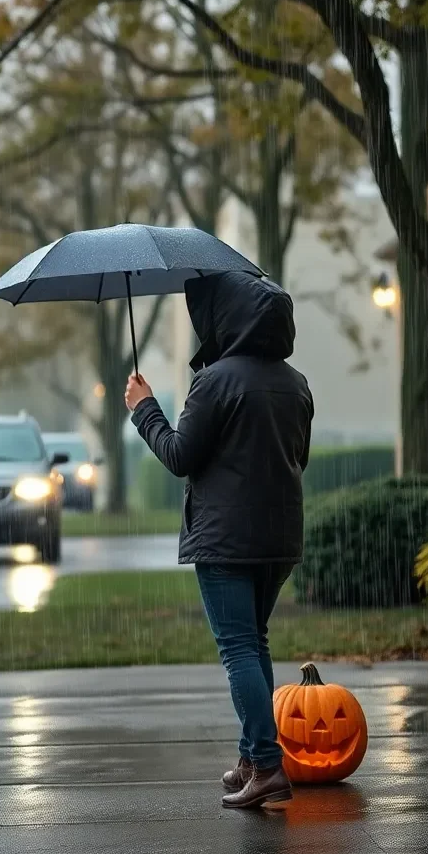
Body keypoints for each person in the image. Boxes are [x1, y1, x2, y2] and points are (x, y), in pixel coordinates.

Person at [124, 270, 313, 810]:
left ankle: (269, 766)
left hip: (227, 540)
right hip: (280, 537)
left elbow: (180, 456)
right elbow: (298, 457)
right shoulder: (295, 382)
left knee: (238, 650)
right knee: (255, 641)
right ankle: (254, 757)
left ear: (225, 318)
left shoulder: (215, 380)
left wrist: (144, 409)